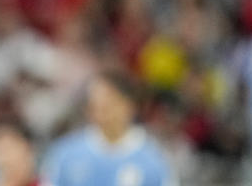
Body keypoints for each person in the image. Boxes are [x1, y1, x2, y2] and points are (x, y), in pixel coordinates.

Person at [40, 71, 175, 186]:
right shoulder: (65, 153)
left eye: (109, 102)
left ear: (129, 104)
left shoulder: (155, 160)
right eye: (95, 103)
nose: (101, 109)